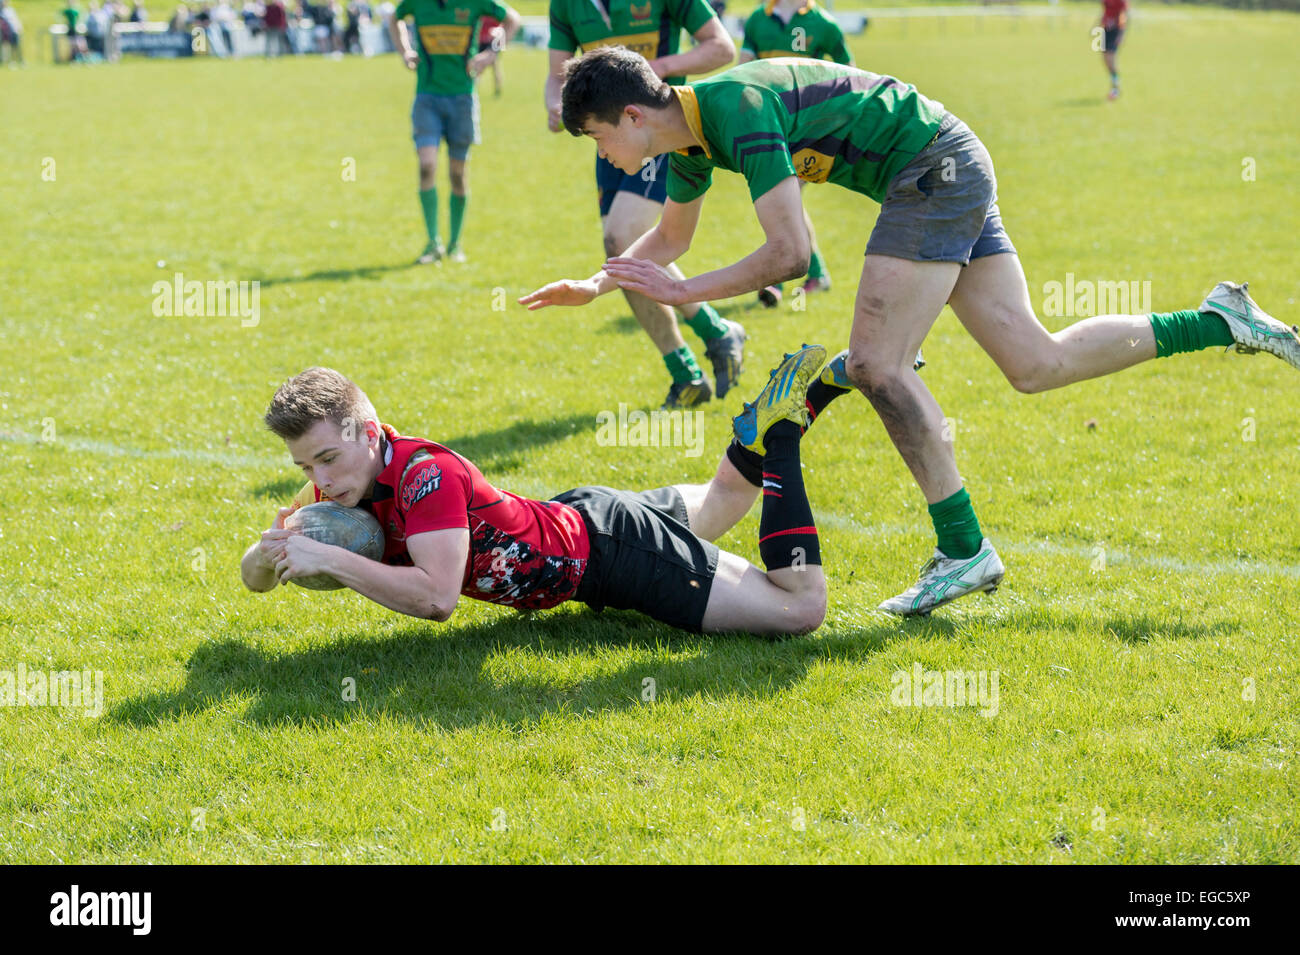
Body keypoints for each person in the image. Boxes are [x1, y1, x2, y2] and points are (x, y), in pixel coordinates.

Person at [520, 48, 1300, 616]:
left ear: (630, 116)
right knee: (1035, 361)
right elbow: (672, 239)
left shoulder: (735, 111)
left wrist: (686, 293)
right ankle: (1219, 320)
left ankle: (964, 550)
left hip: (932, 168)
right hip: (945, 160)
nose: (606, 156)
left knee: (876, 365)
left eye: (596, 139)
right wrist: (597, 283)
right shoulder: (689, 139)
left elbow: (791, 253)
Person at [241, 351, 830, 635]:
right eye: (306, 465)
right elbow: (251, 578)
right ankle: (752, 439)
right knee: (724, 501)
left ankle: (778, 439)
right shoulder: (338, 484)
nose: (321, 480)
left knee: (799, 610)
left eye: (327, 458)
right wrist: (273, 551)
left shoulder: (427, 477)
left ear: (368, 434)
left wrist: (333, 561)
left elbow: (436, 599)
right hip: (576, 515)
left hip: (610, 552)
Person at [545, 0, 746, 411]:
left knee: (622, 237)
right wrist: (555, 104)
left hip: (653, 127)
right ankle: (690, 367)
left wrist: (658, 67)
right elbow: (557, 75)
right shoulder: (565, 5)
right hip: (611, 140)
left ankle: (708, 338)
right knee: (620, 250)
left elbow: (721, 48)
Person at [389, 0, 522, 265]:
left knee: (457, 175)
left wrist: (491, 53)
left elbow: (513, 19)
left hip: (462, 99)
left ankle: (454, 244)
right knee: (427, 166)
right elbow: (395, 18)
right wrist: (404, 50)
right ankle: (432, 243)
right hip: (427, 97)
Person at [740, 0, 851, 308]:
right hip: (771, 126)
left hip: (810, 127)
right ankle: (816, 273)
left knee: (782, 198)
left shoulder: (823, 23)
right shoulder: (757, 20)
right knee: (787, 202)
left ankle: (776, 281)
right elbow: (743, 69)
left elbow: (850, 74)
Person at [1099, 0, 1127, 101]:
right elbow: (1104, 12)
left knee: (1111, 59)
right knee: (1105, 60)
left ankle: (1115, 88)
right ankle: (1115, 82)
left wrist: (1121, 34)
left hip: (1116, 30)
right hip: (1106, 30)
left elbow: (1124, 15)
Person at [474, 12, 501, 96]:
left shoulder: (494, 13)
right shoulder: (481, 12)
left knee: (495, 66)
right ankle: (475, 88)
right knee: (478, 66)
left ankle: (497, 88)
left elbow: (500, 27)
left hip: (491, 43)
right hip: (481, 42)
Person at [0, 0, 22, 66]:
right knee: (6, 47)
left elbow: (15, 20)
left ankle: (19, 60)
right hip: (6, 32)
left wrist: (19, 27)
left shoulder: (10, 10)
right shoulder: (1, 11)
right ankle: (8, 61)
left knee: (16, 46)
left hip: (14, 30)